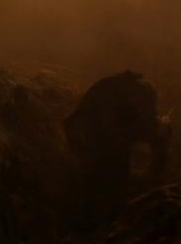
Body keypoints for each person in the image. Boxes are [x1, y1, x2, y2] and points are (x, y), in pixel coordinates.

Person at [63, 71, 171, 226]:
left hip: (102, 135)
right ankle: (91, 219)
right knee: (96, 178)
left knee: (114, 172)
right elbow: (110, 129)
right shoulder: (110, 97)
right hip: (87, 136)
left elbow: (142, 119)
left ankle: (109, 214)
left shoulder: (128, 95)